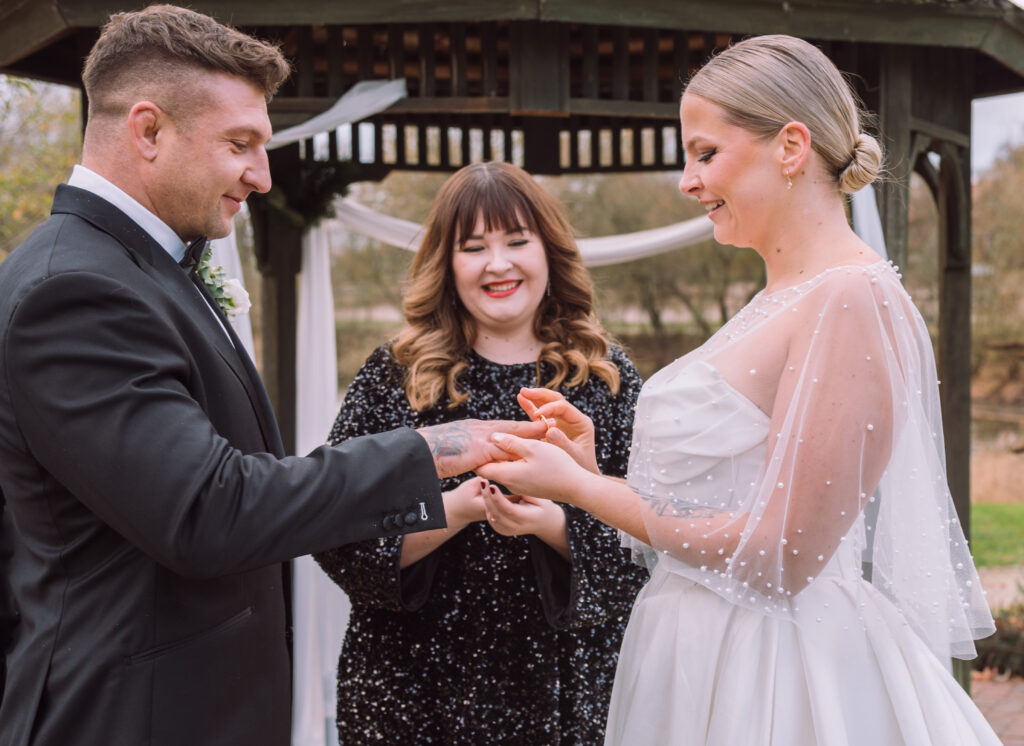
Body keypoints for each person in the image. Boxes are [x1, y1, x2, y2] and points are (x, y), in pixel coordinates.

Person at [0, 7, 543, 745]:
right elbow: (206, 511)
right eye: (240, 145)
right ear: (148, 130)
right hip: (130, 716)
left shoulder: (144, 268)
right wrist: (439, 448)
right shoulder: (72, 291)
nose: (261, 175)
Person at [479, 35, 1002, 745]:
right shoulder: (778, 296)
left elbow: (785, 553)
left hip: (775, 671)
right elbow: (718, 500)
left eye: (705, 153)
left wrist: (584, 493)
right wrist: (591, 467)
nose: (686, 182)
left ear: (791, 147)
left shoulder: (851, 296)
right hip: (694, 650)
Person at [313, 161, 647, 744]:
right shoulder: (397, 375)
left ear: (549, 252)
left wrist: (552, 523)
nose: (499, 264)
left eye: (517, 241)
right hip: (410, 687)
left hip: (566, 689)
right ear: (448, 263)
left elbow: (650, 539)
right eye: (474, 247)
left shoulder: (605, 379)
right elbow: (335, 526)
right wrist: (457, 508)